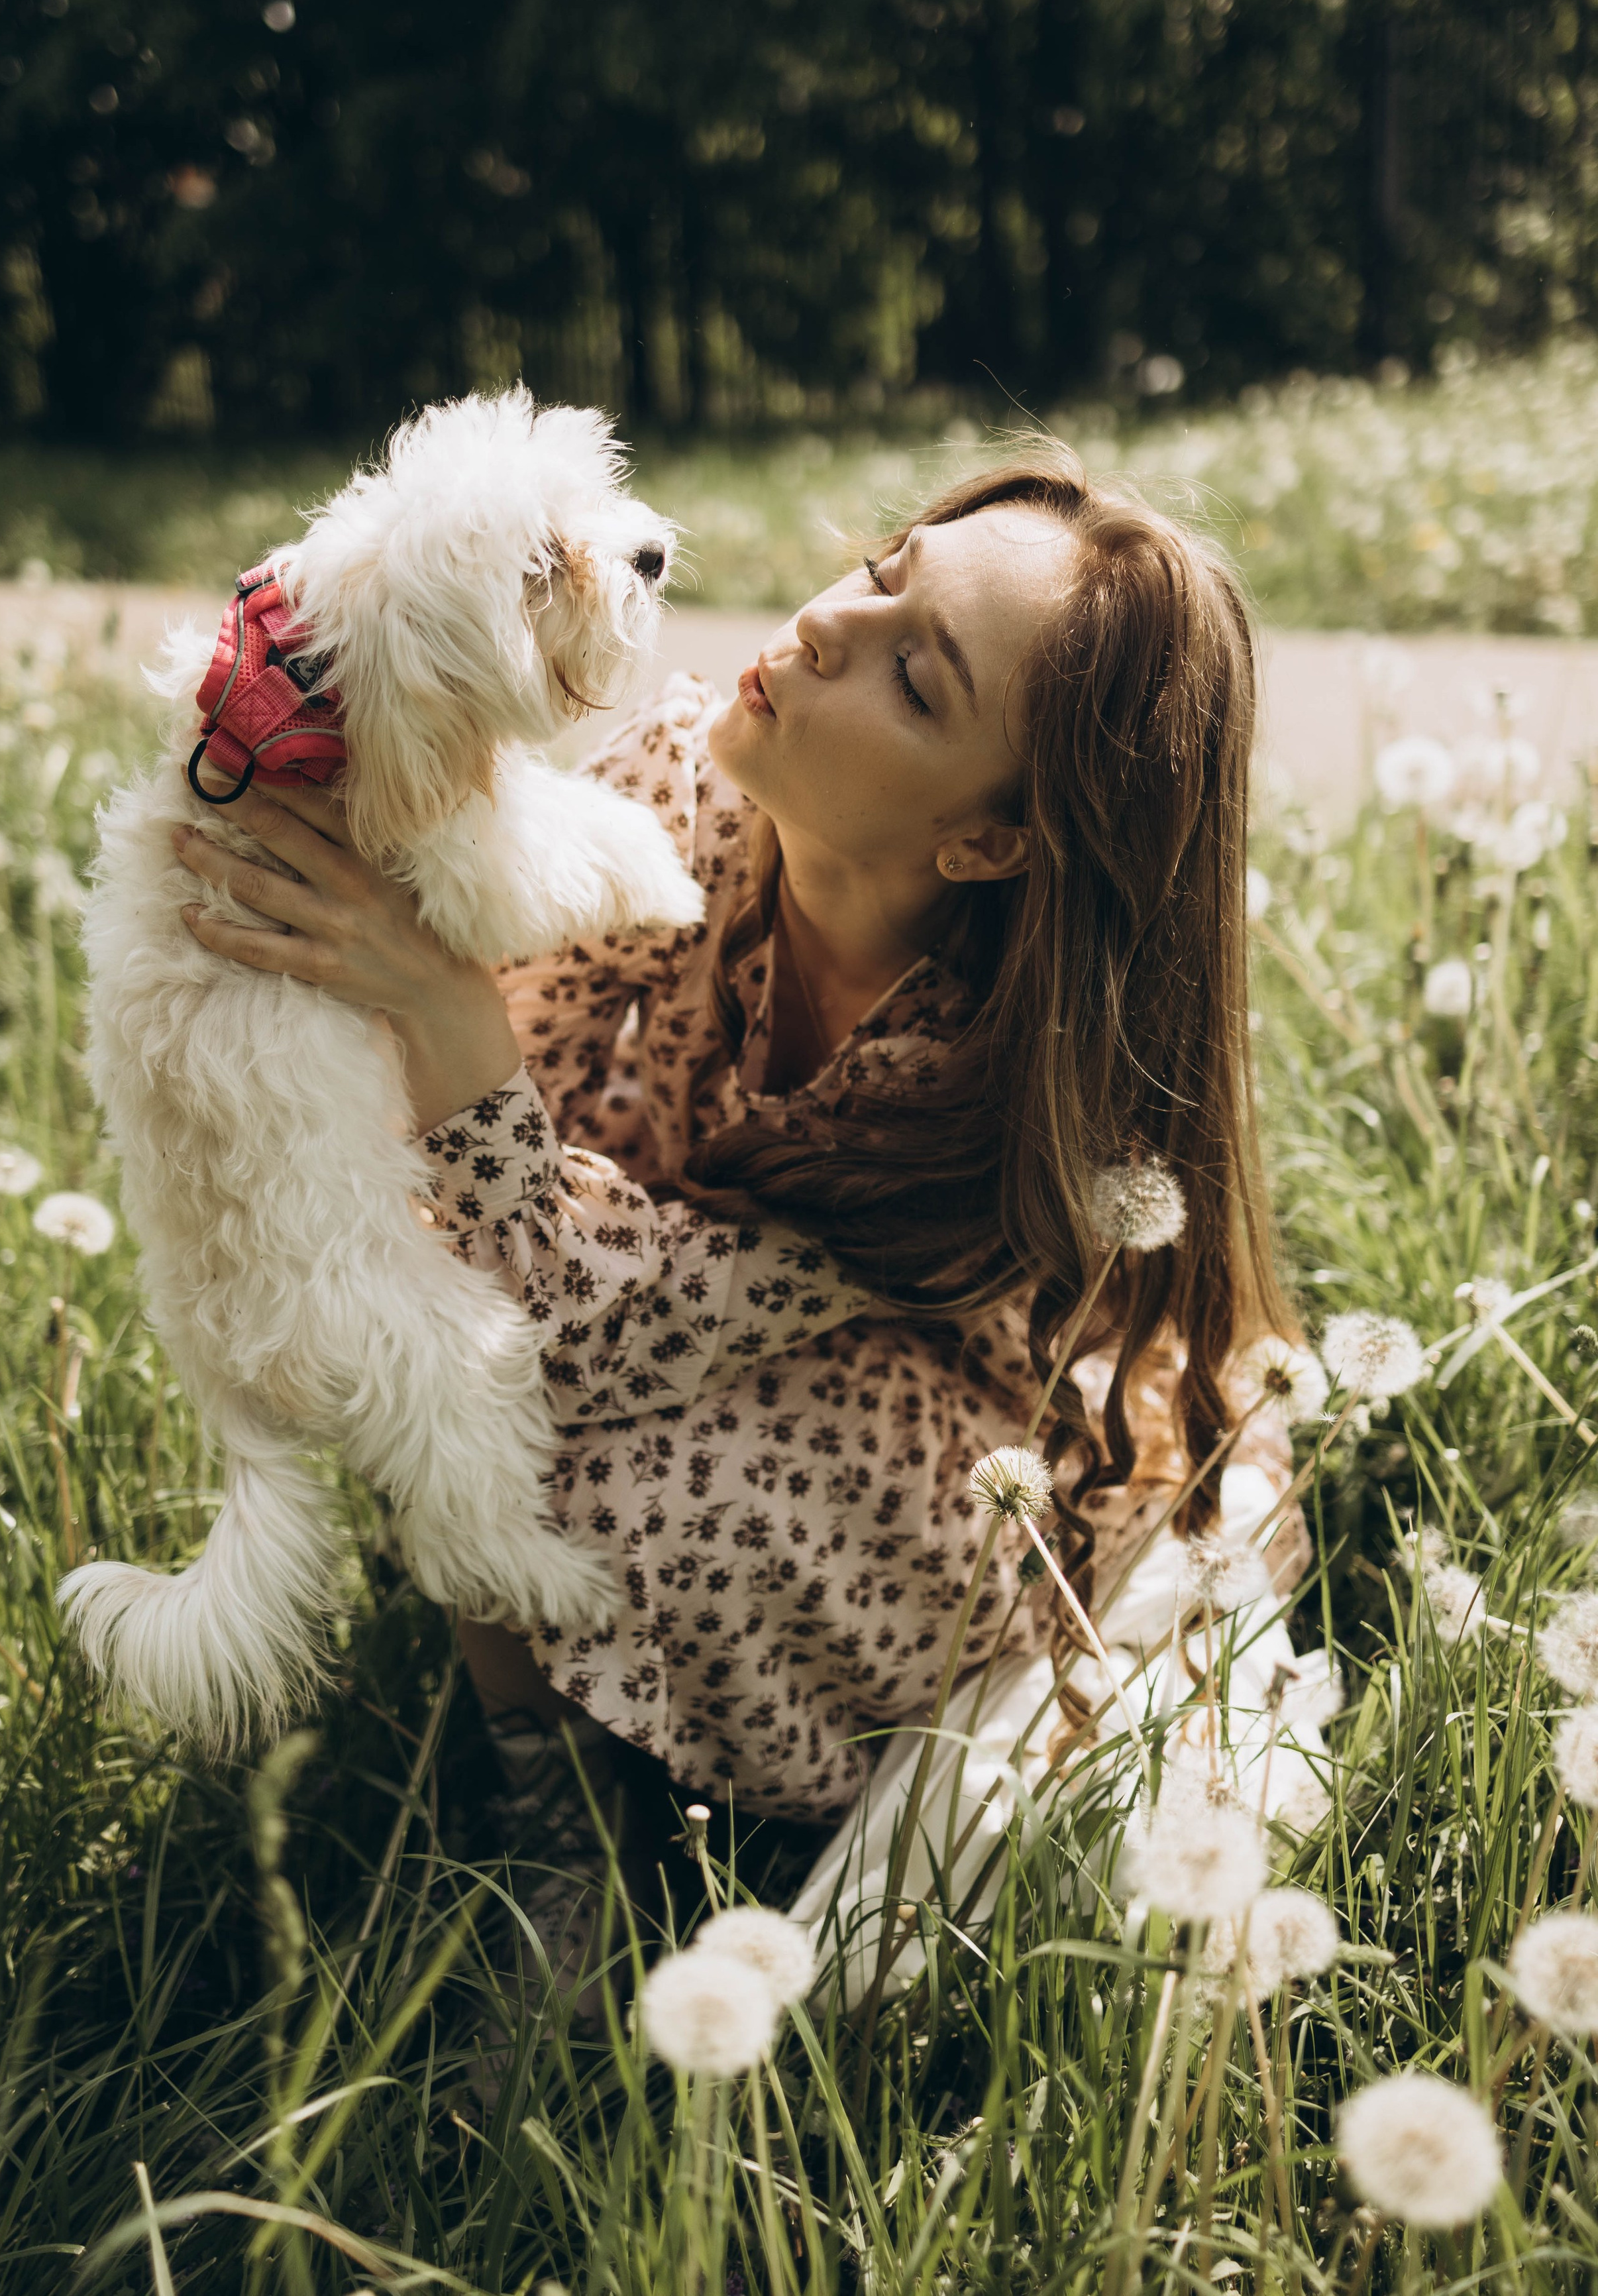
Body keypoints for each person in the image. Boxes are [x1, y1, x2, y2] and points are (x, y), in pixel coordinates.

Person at [170, 435, 1307, 1931]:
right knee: (412, 1294)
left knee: (567, 1443)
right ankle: (547, 1755)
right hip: (639, 1266)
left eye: (915, 679)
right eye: (881, 575)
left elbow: (578, 1295)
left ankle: (583, 1828)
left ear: (987, 837)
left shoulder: (972, 1099)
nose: (831, 626)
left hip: (905, 1453)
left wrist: (445, 1026)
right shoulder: (689, 789)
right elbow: (506, 1065)